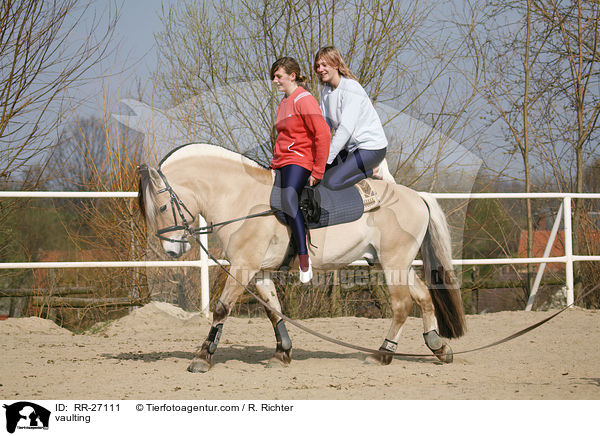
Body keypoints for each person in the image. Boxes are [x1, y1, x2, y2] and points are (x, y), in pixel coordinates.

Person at [270, 57, 331, 283]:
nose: (275, 81)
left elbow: (323, 134)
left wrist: (318, 170)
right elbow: (284, 136)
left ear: (292, 76)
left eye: (279, 76)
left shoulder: (304, 99)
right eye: (274, 77)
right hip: (282, 161)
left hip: (300, 159)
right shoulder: (283, 102)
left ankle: (304, 258)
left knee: (288, 197)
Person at [314, 46, 388, 190]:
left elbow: (345, 129)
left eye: (324, 65)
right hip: (352, 149)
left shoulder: (350, 88)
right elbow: (324, 126)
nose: (320, 69)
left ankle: (373, 171)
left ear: (335, 64)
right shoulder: (326, 91)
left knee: (332, 182)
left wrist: (326, 158)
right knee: (320, 176)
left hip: (371, 148)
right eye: (317, 66)